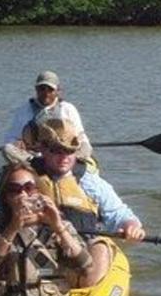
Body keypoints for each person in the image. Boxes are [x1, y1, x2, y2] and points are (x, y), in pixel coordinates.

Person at [21, 115, 146, 285]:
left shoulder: (89, 181)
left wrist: (131, 226)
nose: (64, 157)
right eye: (57, 150)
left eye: (69, 151)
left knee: (100, 248)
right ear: (42, 149)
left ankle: (84, 289)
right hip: (39, 247)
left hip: (82, 250)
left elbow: (118, 213)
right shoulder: (25, 178)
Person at [0, 164, 96, 296]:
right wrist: (12, 228)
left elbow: (85, 267)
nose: (23, 195)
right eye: (14, 189)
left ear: (39, 192)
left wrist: (58, 227)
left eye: (29, 188)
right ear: (6, 197)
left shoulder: (58, 226)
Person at [2, 70, 92, 160]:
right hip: (34, 156)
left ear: (58, 91)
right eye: (42, 89)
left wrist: (82, 146)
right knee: (7, 148)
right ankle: (32, 164)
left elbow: (81, 135)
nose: (46, 93)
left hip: (61, 155)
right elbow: (10, 137)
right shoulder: (24, 110)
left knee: (86, 148)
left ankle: (70, 164)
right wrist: (16, 142)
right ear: (36, 90)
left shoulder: (68, 109)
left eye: (50, 89)